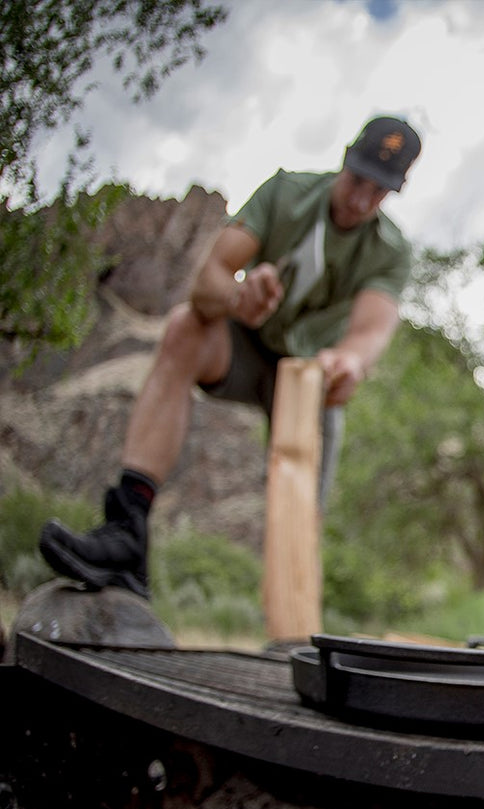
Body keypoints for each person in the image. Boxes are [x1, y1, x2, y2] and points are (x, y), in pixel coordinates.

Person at [39, 116, 421, 600]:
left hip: (308, 379)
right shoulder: (285, 194)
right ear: (345, 159)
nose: (361, 200)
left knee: (305, 514)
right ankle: (126, 532)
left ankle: (291, 623)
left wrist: (348, 361)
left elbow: (371, 329)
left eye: (379, 191)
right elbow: (208, 283)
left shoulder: (390, 250)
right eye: (358, 180)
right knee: (183, 326)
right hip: (245, 348)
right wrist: (239, 298)